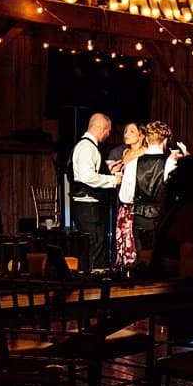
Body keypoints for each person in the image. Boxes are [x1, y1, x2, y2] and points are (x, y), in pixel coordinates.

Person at [69, 113, 122, 270]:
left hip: (86, 207)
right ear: (102, 128)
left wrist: (107, 168)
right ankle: (95, 287)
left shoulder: (86, 146)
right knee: (95, 247)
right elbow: (86, 176)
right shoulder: (87, 147)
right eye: (108, 131)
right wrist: (113, 180)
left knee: (92, 247)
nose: (108, 135)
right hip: (90, 207)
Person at [117, 120, 177, 258]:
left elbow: (125, 197)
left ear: (148, 140)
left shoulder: (133, 164)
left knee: (142, 260)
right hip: (162, 218)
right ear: (165, 141)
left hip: (140, 218)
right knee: (161, 260)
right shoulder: (170, 163)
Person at [109, 123, 147, 267]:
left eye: (131, 131)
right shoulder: (124, 153)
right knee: (123, 235)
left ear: (141, 135)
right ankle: (124, 266)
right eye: (125, 131)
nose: (127, 134)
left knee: (134, 237)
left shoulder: (145, 153)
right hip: (123, 200)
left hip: (138, 202)